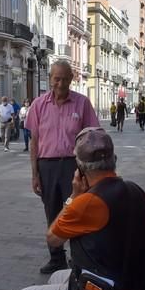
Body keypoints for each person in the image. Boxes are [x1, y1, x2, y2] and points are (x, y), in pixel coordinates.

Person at [13, 127, 145, 290]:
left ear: (79, 167)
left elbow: (53, 239)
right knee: (55, 278)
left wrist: (73, 196)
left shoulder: (87, 203)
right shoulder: (134, 189)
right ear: (114, 159)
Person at [27, 60, 100, 275]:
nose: (60, 83)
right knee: (52, 213)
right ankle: (57, 259)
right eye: (57, 79)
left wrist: (89, 172)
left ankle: (79, 260)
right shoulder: (38, 105)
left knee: (77, 211)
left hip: (73, 166)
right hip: (47, 166)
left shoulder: (82, 103)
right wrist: (35, 175)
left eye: (65, 79)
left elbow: (93, 136)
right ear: (50, 79)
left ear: (71, 79)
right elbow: (34, 142)